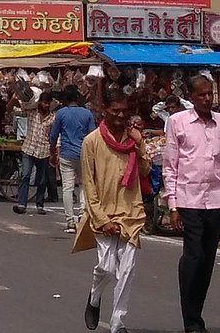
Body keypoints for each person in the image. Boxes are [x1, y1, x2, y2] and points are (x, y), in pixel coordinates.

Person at [162, 75, 220, 333]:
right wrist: (172, 205)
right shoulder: (177, 123)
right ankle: (191, 321)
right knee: (194, 255)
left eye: (210, 94)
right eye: (201, 95)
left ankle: (196, 312)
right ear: (191, 97)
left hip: (216, 201)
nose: (207, 99)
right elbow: (170, 166)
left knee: (207, 260)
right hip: (189, 200)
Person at [75, 87, 151, 333]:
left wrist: (140, 145)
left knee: (127, 271)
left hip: (132, 212)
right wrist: (101, 218)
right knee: (106, 268)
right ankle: (94, 298)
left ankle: (118, 324)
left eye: (124, 111)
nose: (120, 116)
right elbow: (89, 184)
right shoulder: (92, 142)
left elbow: (145, 171)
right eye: (115, 110)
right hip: (103, 214)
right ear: (104, 110)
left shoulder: (133, 140)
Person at [51, 85, 96, 232]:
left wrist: (52, 152)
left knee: (67, 188)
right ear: (77, 98)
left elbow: (53, 136)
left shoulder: (61, 113)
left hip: (66, 154)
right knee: (84, 185)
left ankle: (70, 220)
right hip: (84, 153)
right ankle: (83, 214)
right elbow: (93, 135)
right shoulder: (87, 113)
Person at [14, 90, 56, 215]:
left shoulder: (53, 117)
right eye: (44, 103)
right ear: (39, 103)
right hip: (29, 148)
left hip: (44, 150)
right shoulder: (32, 113)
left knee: (42, 180)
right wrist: (13, 100)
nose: (46, 105)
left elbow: (54, 135)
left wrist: (54, 151)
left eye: (47, 103)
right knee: (25, 175)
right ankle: (22, 204)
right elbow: (13, 110)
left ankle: (40, 204)